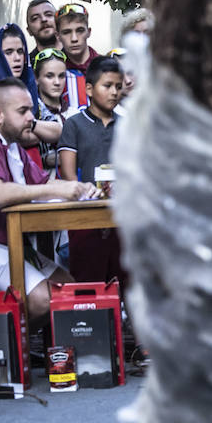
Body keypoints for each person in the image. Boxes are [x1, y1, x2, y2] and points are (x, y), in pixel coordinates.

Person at [0, 79, 94, 323]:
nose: (31, 118)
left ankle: (25, 348)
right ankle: (3, 348)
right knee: (44, 299)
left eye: (31, 110)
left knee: (68, 286)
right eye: (22, 111)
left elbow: (41, 184)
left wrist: (80, 188)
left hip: (2, 243)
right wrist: (56, 191)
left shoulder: (10, 142)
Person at [58, 56, 125, 283]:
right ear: (88, 88)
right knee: (88, 277)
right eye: (107, 86)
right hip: (84, 214)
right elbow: (68, 174)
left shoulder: (127, 125)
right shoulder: (74, 124)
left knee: (122, 274)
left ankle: (123, 318)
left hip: (121, 214)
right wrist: (85, 195)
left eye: (118, 86)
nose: (114, 92)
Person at [55, 2, 98, 111]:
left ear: (89, 32)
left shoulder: (106, 67)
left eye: (79, 30)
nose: (74, 38)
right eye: (67, 32)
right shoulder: (51, 72)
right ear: (58, 36)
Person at [31, 49, 69, 170]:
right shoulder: (30, 114)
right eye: (49, 76)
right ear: (36, 78)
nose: (57, 82)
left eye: (61, 76)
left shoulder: (75, 112)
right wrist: (44, 160)